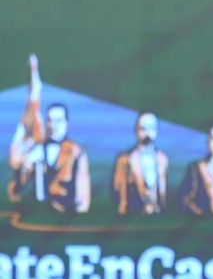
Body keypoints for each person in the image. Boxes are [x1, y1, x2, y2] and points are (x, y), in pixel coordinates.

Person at [7, 54, 91, 213]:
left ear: (66, 122)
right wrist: (25, 167)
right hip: (38, 214)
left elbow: (82, 195)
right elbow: (16, 190)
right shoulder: (37, 148)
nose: (53, 125)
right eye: (50, 120)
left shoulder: (76, 152)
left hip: (66, 215)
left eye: (58, 121)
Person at [111, 112, 169, 215]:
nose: (147, 133)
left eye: (152, 129)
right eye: (143, 129)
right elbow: (117, 189)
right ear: (136, 131)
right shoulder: (125, 159)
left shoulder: (163, 159)